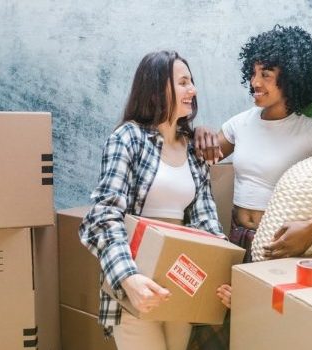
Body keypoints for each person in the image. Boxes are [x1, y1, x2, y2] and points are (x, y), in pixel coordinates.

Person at [189, 25, 312, 349]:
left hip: (283, 247)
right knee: (219, 334)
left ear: (293, 77)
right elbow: (200, 159)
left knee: (270, 335)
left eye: (266, 74)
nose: (255, 82)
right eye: (253, 73)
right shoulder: (241, 123)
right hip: (237, 240)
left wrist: (311, 229)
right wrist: (201, 132)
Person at [79, 50, 225, 350]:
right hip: (136, 282)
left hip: (182, 282)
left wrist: (220, 276)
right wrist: (129, 280)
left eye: (191, 81)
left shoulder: (193, 149)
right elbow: (103, 217)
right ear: (158, 88)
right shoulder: (128, 139)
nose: (193, 90)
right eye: (183, 82)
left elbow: (206, 221)